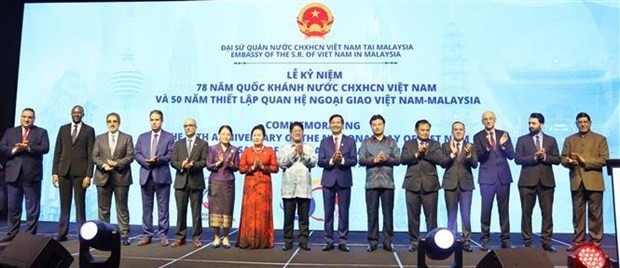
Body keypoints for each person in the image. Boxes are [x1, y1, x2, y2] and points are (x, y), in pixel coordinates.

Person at [561, 112, 609, 251]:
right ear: (576, 124)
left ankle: (596, 241)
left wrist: (585, 161)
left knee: (595, 213)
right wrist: (568, 161)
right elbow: (563, 158)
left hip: (594, 181)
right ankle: (578, 241)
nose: (582, 124)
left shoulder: (600, 139)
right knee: (578, 213)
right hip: (577, 180)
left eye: (585, 122)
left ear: (590, 123)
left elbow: (604, 160)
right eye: (580, 122)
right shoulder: (569, 139)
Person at [0, 108, 49, 241]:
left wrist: (28, 148)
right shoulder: (11, 132)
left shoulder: (41, 132)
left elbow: (45, 148)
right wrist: (15, 149)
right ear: (21, 118)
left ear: (34, 119)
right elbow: (2, 147)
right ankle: (12, 233)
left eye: (30, 117)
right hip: (13, 174)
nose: (27, 119)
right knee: (13, 207)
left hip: (31, 175)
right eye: (24, 117)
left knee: (32, 208)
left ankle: (30, 235)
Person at [514, 113, 560, 252]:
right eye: (529, 123)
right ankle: (527, 241)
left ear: (541, 124)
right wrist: (533, 157)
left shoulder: (551, 140)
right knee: (526, 213)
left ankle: (546, 242)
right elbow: (517, 159)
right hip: (527, 182)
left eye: (533, 123)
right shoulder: (522, 140)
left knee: (547, 213)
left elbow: (557, 159)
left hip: (546, 182)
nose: (530, 126)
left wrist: (544, 156)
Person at [401, 119, 448, 252]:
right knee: (413, 216)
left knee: (431, 217)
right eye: (422, 130)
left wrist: (425, 153)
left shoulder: (434, 144)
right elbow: (403, 159)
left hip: (430, 185)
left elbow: (440, 160)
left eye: (427, 130)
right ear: (416, 130)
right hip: (412, 184)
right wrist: (417, 154)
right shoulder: (409, 143)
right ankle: (414, 241)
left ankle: (432, 242)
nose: (425, 132)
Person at [52, 105, 95, 241]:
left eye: (79, 112)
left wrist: (89, 175)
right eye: (74, 112)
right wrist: (54, 173)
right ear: (71, 114)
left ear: (83, 114)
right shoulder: (63, 129)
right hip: (63, 171)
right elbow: (57, 151)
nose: (76, 114)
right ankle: (62, 232)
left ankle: (82, 233)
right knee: (64, 204)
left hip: (80, 173)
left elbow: (91, 154)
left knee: (80, 204)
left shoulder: (89, 130)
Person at [473, 110, 515, 250]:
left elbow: (511, 155)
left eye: (490, 118)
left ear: (495, 120)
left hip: (503, 177)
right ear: (482, 121)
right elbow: (478, 157)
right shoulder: (478, 136)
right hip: (486, 178)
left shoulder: (503, 134)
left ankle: (506, 239)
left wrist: (502, 145)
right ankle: (485, 239)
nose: (488, 121)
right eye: (485, 119)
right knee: (486, 209)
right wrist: (487, 146)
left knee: (504, 210)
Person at [358, 115, 400, 252]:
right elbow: (361, 160)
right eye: (374, 125)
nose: (377, 127)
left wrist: (385, 159)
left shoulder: (391, 142)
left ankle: (388, 242)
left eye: (379, 124)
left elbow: (398, 159)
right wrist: (374, 160)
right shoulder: (366, 142)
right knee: (372, 213)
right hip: (371, 183)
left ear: (384, 125)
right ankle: (373, 241)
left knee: (388, 214)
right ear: (371, 126)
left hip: (388, 183)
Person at [92, 112, 134, 245]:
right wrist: (104, 165)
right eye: (109, 121)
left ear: (119, 123)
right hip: (103, 177)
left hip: (121, 177)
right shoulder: (99, 138)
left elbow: (130, 156)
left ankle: (124, 235)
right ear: (106, 123)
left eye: (114, 121)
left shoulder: (127, 138)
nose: (112, 124)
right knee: (103, 209)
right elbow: (94, 156)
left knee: (122, 208)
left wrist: (116, 164)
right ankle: (104, 235)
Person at [134, 110, 174, 247]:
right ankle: (147, 235)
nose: (154, 122)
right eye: (152, 119)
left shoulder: (169, 137)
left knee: (163, 208)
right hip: (146, 176)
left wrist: (157, 160)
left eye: (157, 119)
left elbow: (170, 155)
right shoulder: (142, 137)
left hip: (161, 175)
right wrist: (146, 162)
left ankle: (163, 235)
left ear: (162, 121)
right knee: (146, 208)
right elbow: (136, 153)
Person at [318, 114, 357, 252]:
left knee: (343, 212)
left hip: (344, 180)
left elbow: (354, 161)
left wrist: (341, 160)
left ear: (342, 124)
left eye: (338, 122)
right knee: (328, 212)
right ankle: (328, 240)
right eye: (333, 123)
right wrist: (331, 160)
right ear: (329, 125)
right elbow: (320, 161)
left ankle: (342, 241)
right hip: (328, 180)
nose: (335, 125)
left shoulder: (350, 141)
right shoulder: (324, 142)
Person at [277, 121, 317, 251]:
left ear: (303, 132)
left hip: (304, 188)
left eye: (299, 130)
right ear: (290, 133)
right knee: (288, 217)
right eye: (295, 131)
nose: (297, 133)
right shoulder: (284, 148)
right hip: (289, 188)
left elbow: (312, 163)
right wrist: (294, 153)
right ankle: (288, 241)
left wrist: (303, 154)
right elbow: (281, 163)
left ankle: (303, 241)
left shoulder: (309, 148)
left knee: (304, 217)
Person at [237, 124, 278, 249]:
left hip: (264, 187)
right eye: (254, 135)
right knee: (249, 212)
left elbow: (275, 168)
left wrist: (263, 167)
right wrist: (253, 167)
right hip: (250, 186)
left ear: (264, 137)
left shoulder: (270, 151)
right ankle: (247, 240)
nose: (257, 137)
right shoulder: (247, 151)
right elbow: (241, 168)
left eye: (259, 135)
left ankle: (264, 241)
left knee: (262, 212)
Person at [439, 121, 478, 252]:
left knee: (466, 214)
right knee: (451, 214)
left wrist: (468, 155)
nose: (458, 131)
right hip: (450, 184)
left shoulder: (471, 146)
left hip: (466, 185)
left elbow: (475, 164)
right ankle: (452, 241)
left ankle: (466, 241)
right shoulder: (445, 145)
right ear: (452, 132)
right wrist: (451, 154)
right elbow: (443, 164)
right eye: (455, 129)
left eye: (461, 129)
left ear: (464, 131)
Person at [170, 118, 208, 248]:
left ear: (196, 127)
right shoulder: (178, 144)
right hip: (181, 182)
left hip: (196, 181)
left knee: (196, 213)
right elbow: (173, 161)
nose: (188, 128)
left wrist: (193, 165)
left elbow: (204, 161)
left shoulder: (202, 143)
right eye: (185, 126)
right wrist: (182, 164)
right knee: (181, 212)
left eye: (191, 125)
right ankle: (180, 237)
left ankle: (197, 237)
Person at [206, 125, 239, 249]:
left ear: (231, 136)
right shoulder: (212, 148)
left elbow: (237, 167)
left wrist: (231, 164)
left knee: (227, 209)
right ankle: (216, 237)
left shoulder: (234, 150)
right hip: (215, 182)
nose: (226, 136)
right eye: (223, 134)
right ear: (219, 135)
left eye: (228, 134)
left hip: (228, 183)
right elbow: (208, 165)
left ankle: (226, 237)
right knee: (215, 209)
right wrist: (218, 163)